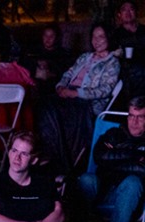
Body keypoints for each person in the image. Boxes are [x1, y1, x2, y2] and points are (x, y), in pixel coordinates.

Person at [36, 22, 120, 175]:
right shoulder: (85, 57)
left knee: (56, 111)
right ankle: (50, 153)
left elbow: (105, 90)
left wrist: (76, 93)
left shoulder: (112, 63)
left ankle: (60, 161)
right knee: (43, 105)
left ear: (109, 38)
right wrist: (60, 87)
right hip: (68, 95)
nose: (97, 40)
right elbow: (68, 74)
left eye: (101, 37)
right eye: (94, 37)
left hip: (87, 102)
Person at [19, 24, 74, 91]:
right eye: (45, 35)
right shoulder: (32, 52)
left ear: (56, 38)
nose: (48, 39)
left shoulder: (62, 54)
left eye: (51, 36)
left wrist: (50, 72)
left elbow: (66, 73)